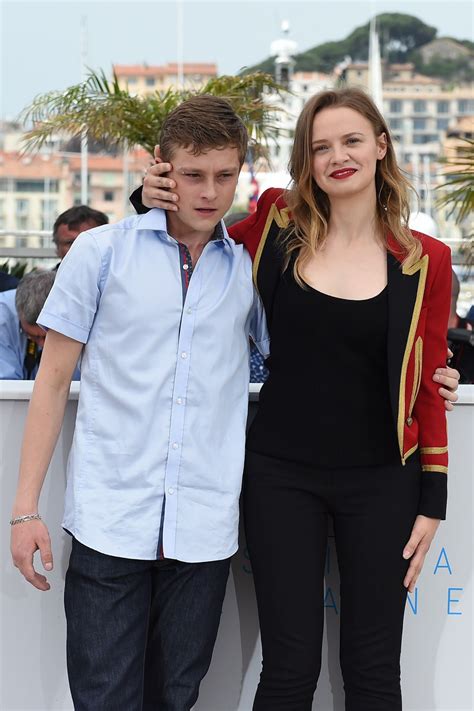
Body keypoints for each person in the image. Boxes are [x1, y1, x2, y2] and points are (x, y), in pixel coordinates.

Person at [134, 88, 457, 710]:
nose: (338, 156)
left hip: (384, 481)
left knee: (373, 668)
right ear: (305, 162)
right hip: (281, 476)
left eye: (352, 140)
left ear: (381, 147)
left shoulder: (427, 261)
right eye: (320, 146)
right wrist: (148, 195)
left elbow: (427, 381)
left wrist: (432, 498)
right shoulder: (278, 225)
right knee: (288, 666)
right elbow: (197, 232)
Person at [10, 96, 268, 711]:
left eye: (225, 175)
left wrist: (431, 375)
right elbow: (51, 382)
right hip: (109, 522)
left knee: (174, 700)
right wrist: (24, 511)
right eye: (193, 174)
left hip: (203, 531)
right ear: (161, 170)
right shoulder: (101, 254)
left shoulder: (248, 270)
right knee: (103, 701)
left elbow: (316, 355)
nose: (210, 192)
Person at [0, 271, 55, 379]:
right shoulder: (2, 317)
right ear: (19, 313)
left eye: (47, 336)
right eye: (34, 336)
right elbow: (5, 387)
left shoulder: (77, 314)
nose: (42, 344)